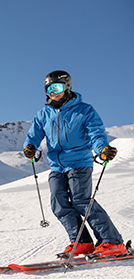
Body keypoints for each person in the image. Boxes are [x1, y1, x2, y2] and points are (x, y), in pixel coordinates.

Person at [23, 70, 125, 258]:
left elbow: (96, 133)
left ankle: (112, 241)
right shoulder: (43, 113)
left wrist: (102, 149)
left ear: (67, 87)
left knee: (81, 200)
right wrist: (30, 146)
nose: (53, 92)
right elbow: (34, 134)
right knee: (58, 203)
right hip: (56, 165)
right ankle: (82, 242)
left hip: (79, 162)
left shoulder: (84, 110)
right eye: (49, 89)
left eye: (57, 87)